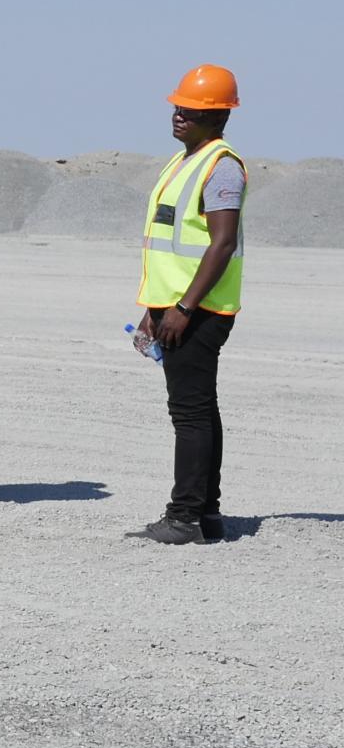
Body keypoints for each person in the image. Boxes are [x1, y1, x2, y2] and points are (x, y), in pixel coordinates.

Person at [130, 65, 247, 544]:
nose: (179, 115)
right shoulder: (183, 162)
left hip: (200, 311)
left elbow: (220, 244)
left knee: (190, 414)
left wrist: (181, 308)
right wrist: (152, 309)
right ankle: (207, 515)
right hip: (176, 306)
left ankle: (183, 519)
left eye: (192, 109)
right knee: (199, 410)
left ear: (218, 114)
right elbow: (167, 245)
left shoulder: (221, 165)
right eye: (178, 106)